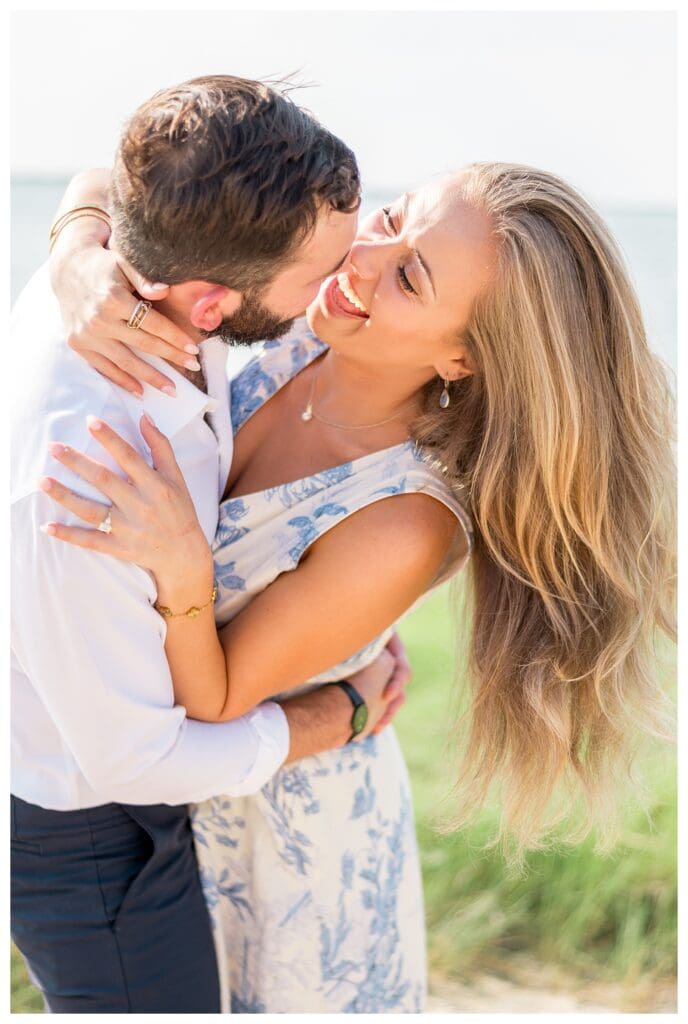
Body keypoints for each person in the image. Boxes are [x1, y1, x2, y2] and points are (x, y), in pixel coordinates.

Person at [44, 162, 675, 1012]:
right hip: (174, 798)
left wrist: (184, 566)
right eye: (394, 218)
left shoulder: (406, 518)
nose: (364, 261)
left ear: (464, 355)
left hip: (288, 845)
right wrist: (78, 255)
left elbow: (218, 694)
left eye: (411, 276)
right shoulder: (312, 327)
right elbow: (127, 173)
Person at [10, 75, 411, 1015]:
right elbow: (132, 760)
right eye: (320, 274)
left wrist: (73, 237)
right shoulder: (92, 476)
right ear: (209, 305)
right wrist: (340, 714)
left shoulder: (144, 259)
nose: (342, 284)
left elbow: (107, 180)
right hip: (92, 846)